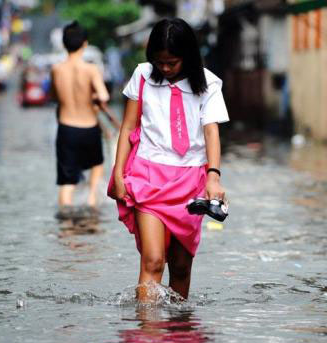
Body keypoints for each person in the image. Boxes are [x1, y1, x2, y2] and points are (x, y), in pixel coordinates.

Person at [111, 18, 229, 302]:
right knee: (152, 260)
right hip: (147, 176)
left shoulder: (209, 84)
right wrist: (117, 173)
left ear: (187, 57)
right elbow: (128, 126)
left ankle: (178, 329)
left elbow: (211, 132)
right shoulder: (142, 76)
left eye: (172, 62)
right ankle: (147, 329)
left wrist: (213, 176)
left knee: (180, 266)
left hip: (190, 181)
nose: (164, 68)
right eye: (159, 62)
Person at [51, 21, 113, 207]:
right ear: (85, 43)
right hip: (89, 128)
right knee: (96, 166)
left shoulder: (56, 69)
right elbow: (104, 95)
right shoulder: (91, 69)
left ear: (63, 44)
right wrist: (92, 95)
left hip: (66, 128)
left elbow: (54, 96)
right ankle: (92, 202)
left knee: (67, 181)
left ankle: (65, 221)